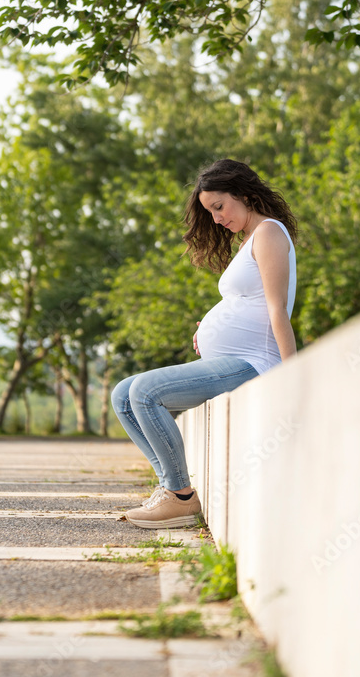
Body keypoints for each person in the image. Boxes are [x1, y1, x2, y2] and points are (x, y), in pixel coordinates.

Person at [111, 158, 298, 529]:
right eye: (209, 211)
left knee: (145, 393)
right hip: (233, 356)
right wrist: (212, 324)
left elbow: (277, 310)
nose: (216, 218)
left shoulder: (269, 233)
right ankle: (170, 488)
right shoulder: (250, 239)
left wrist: (291, 374)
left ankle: (179, 496)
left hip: (254, 361)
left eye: (219, 207)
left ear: (245, 195)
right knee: (122, 394)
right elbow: (248, 301)